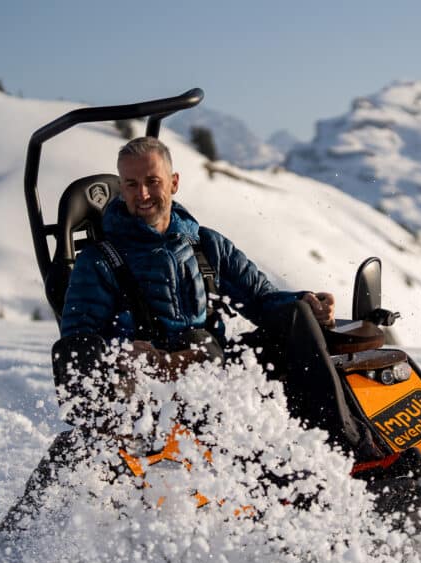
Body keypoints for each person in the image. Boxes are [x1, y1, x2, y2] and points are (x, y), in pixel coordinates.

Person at [58, 136, 385, 461]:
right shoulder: (99, 261)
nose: (142, 194)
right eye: (130, 184)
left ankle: (343, 445)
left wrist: (309, 304)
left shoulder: (205, 244)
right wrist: (123, 355)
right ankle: (319, 462)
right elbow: (77, 342)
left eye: (152, 181)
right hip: (158, 386)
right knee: (206, 366)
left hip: (217, 367)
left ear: (173, 183)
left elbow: (260, 298)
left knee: (297, 314)